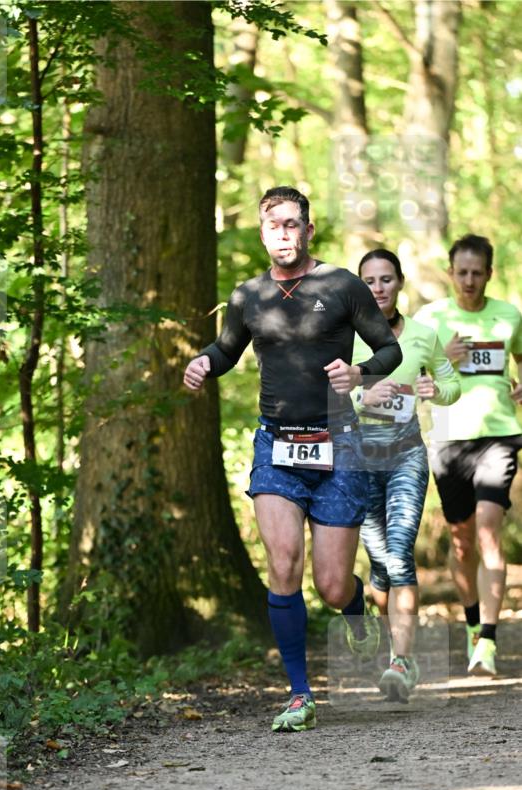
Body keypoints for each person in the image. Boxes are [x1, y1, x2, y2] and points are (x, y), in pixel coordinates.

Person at [182, 186, 402, 732]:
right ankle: (300, 694)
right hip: (276, 446)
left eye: (292, 223)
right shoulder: (248, 296)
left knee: (332, 586)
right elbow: (227, 350)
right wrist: (203, 362)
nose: (284, 233)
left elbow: (389, 349)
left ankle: (355, 608)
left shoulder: (342, 285)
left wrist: (359, 373)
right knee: (283, 566)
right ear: (263, 233)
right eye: (274, 225)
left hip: (339, 444)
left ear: (308, 229)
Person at [352, 250, 460, 701]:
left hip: (406, 456)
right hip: (359, 460)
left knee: (398, 553)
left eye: (386, 279)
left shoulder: (422, 335)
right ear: (360, 287)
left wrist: (438, 389)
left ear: (400, 283)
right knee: (379, 563)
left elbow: (452, 384)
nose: (379, 288)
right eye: (370, 281)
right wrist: (362, 398)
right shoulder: (347, 336)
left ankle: (402, 660)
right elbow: (322, 393)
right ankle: (385, 632)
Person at [414, 234, 522, 677]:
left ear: (489, 274)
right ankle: (473, 624)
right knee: (461, 541)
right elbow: (410, 373)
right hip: (448, 439)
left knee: (488, 531)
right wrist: (444, 359)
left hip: (499, 434)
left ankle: (489, 641)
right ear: (450, 273)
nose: (470, 280)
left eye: (478, 273)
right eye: (462, 272)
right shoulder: (431, 318)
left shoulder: (509, 315)